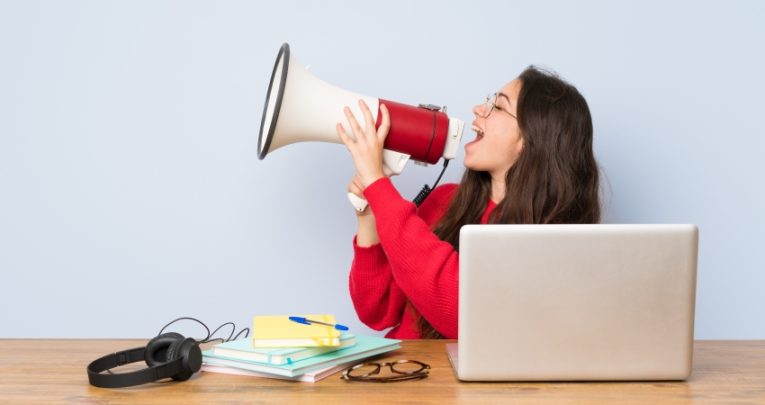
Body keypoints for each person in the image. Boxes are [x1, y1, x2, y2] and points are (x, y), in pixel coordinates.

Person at [336, 66, 601, 339]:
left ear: (531, 137)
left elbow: (465, 313)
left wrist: (378, 186)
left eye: (497, 107)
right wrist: (368, 214)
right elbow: (377, 313)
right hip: (406, 376)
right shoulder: (445, 201)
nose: (478, 109)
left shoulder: (545, 241)